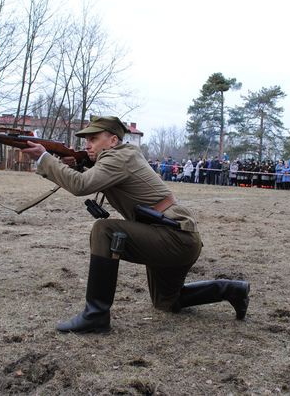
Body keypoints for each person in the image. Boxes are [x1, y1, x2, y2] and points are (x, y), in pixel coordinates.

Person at [22, 116, 249, 334]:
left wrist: (44, 158)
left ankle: (96, 315)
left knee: (105, 230)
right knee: (167, 301)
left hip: (172, 236)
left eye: (93, 139)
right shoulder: (120, 157)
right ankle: (230, 289)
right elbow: (92, 177)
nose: (87, 145)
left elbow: (81, 185)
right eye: (86, 140)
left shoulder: (118, 157)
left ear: (113, 140)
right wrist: (75, 164)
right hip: (170, 234)